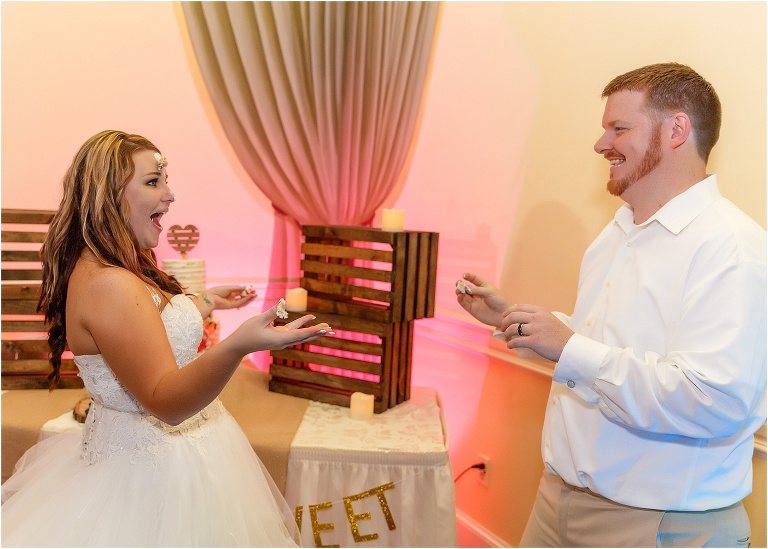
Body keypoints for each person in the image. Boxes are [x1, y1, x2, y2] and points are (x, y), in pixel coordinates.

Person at [457, 63, 766, 547]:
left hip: (657, 525)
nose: (601, 145)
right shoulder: (615, 234)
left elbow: (714, 400)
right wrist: (515, 320)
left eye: (618, 128)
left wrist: (573, 348)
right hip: (556, 503)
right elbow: (607, 347)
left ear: (676, 130)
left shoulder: (732, 248)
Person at [1, 130, 333, 547]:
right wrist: (239, 346)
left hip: (182, 463)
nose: (170, 195)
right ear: (110, 196)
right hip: (149, 483)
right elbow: (166, 401)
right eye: (153, 182)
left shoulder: (115, 265)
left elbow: (148, 326)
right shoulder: (110, 284)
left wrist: (206, 300)